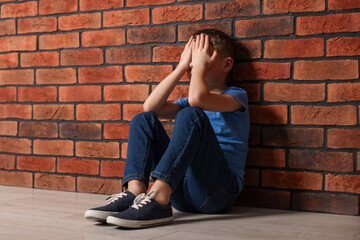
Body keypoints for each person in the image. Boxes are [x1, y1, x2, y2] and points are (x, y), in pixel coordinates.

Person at [84, 29, 250, 229]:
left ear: (227, 64)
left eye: (203, 59)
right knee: (143, 119)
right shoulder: (190, 99)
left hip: (218, 193)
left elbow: (199, 99)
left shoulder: (237, 96)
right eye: (191, 59)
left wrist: (197, 68)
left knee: (191, 114)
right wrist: (181, 67)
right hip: (181, 194)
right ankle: (135, 193)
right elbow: (151, 106)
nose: (194, 65)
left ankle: (159, 198)